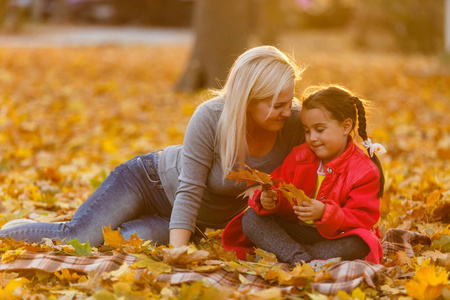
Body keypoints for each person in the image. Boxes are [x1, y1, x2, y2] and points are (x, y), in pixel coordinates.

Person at [0, 45, 306, 248]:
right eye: (277, 104)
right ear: (249, 101)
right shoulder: (212, 117)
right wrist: (180, 254)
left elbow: (334, 154)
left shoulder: (293, 123)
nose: (287, 109)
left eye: (289, 100)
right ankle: (11, 231)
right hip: (148, 182)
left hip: (188, 221)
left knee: (117, 242)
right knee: (80, 238)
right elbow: (189, 190)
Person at [222, 85, 386, 265]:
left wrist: (325, 212)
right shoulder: (300, 156)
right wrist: (271, 200)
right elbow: (278, 185)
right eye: (307, 131)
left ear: (346, 126)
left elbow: (362, 218)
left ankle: (293, 256)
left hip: (336, 237)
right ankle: (302, 258)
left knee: (360, 243)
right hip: (296, 231)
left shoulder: (363, 170)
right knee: (252, 219)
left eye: (320, 129)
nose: (312, 138)